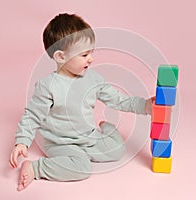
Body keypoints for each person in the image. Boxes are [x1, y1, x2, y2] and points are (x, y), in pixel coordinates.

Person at [9, 13, 154, 191]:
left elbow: (118, 100)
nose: (91, 58)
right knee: (82, 168)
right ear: (61, 57)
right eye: (84, 54)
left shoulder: (93, 78)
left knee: (117, 151)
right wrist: (22, 142)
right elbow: (32, 115)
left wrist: (145, 106)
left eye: (91, 52)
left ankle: (107, 128)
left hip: (88, 137)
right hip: (61, 142)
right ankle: (35, 168)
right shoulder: (48, 86)